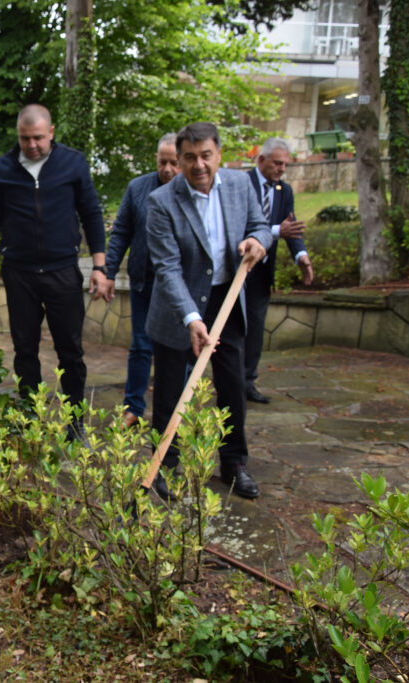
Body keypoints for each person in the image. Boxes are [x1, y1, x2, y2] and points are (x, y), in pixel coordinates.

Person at [144, 122, 272, 500]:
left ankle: (234, 465)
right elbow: (166, 268)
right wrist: (191, 318)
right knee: (170, 392)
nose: (198, 165)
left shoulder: (240, 185)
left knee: (232, 386)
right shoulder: (162, 201)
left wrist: (257, 241)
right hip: (179, 307)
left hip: (226, 300)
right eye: (189, 157)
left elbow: (261, 226)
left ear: (218, 154)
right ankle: (165, 466)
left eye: (205, 156)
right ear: (180, 159)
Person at [0, 104, 107, 434]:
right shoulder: (2, 169)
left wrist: (100, 267)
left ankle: (75, 427)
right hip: (20, 273)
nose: (32, 145)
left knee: (71, 352)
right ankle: (30, 422)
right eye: (25, 138)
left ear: (51, 133)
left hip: (62, 271)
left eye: (38, 138)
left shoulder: (73, 163)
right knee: (25, 350)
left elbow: (91, 214)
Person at [102, 134, 181, 427]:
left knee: (179, 351)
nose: (168, 169)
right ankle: (133, 407)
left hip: (180, 286)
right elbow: (121, 232)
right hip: (144, 282)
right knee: (140, 346)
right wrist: (109, 272)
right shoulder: (138, 188)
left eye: (174, 163)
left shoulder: (191, 191)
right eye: (163, 162)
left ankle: (177, 411)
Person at [243, 137, 313, 404]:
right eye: (277, 163)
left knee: (255, 330)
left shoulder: (285, 191)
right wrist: (274, 231)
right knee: (231, 329)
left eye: (285, 164)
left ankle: (247, 382)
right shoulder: (242, 184)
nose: (282, 169)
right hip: (236, 270)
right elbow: (239, 225)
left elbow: (290, 229)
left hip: (262, 274)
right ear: (261, 160)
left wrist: (301, 257)